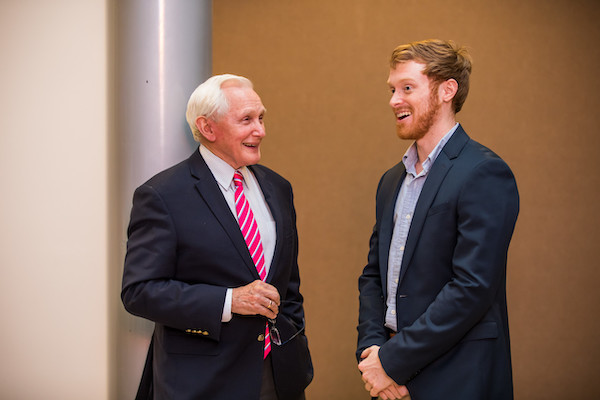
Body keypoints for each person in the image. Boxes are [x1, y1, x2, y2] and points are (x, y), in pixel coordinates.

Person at [122, 74, 313, 400]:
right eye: (247, 120)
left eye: (261, 117)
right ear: (208, 128)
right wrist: (229, 301)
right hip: (202, 382)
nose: (261, 130)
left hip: (278, 376)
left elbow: (288, 286)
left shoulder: (278, 188)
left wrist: (293, 336)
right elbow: (140, 291)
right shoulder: (163, 195)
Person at [356, 39, 519, 400]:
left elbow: (472, 288)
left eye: (407, 88)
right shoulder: (390, 181)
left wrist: (392, 362)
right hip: (389, 378)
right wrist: (372, 352)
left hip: (457, 376)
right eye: (392, 89)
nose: (394, 100)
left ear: (447, 90)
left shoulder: (484, 172)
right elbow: (373, 277)